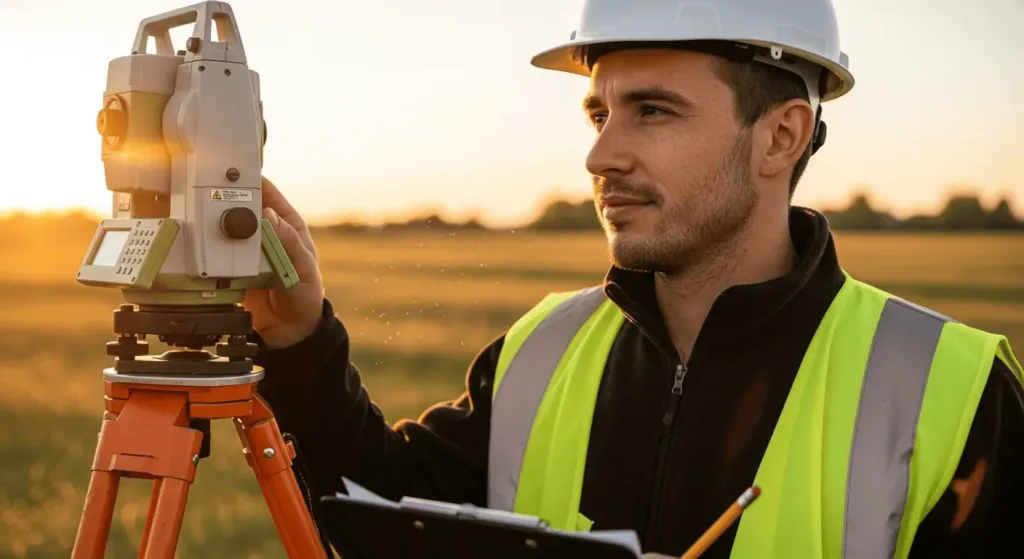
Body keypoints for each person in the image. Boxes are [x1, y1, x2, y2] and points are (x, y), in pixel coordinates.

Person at [246, 0, 1024, 556]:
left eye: (653, 111)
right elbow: (382, 515)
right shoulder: (541, 351)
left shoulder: (951, 391)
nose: (601, 156)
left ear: (781, 136)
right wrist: (299, 337)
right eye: (599, 114)